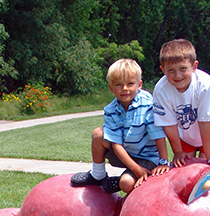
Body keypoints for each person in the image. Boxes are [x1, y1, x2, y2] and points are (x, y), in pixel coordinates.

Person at [71, 58, 170, 194]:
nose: (125, 89)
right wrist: (135, 168)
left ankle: (119, 182)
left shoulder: (147, 104)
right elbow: (116, 144)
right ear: (111, 88)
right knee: (98, 134)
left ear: (139, 84)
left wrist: (163, 162)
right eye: (119, 85)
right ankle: (98, 175)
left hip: (147, 157)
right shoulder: (111, 110)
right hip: (126, 153)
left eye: (130, 84)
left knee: (126, 184)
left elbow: (158, 135)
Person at [153, 39, 210, 170]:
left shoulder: (206, 85)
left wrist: (209, 154)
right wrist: (177, 152)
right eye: (171, 70)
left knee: (203, 166)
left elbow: (205, 121)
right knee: (185, 166)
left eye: (183, 68)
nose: (177, 75)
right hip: (186, 130)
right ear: (163, 69)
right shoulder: (161, 90)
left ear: (194, 66)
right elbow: (169, 124)